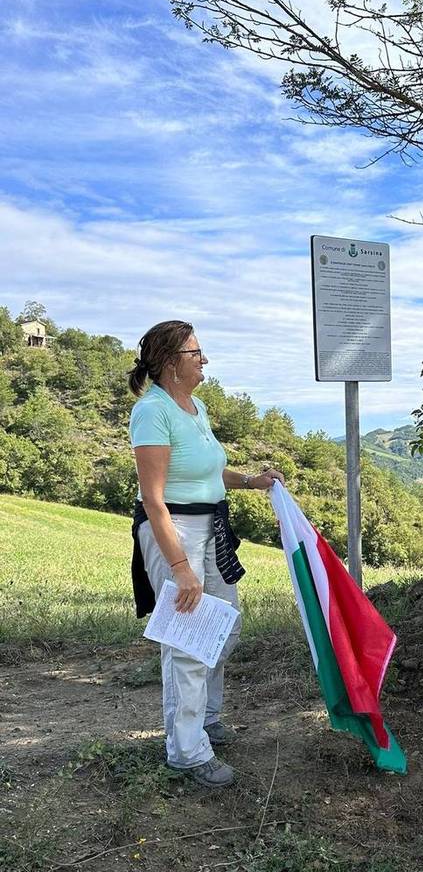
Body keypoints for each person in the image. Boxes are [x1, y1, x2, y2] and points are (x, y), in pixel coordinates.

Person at [128, 320, 284, 788]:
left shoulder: (195, 408)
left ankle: (206, 718)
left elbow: (210, 471)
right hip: (174, 531)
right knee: (190, 641)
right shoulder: (151, 411)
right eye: (197, 353)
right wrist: (179, 567)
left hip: (211, 526)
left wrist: (251, 481)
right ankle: (188, 750)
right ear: (171, 361)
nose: (205, 360)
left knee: (225, 626)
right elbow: (153, 498)